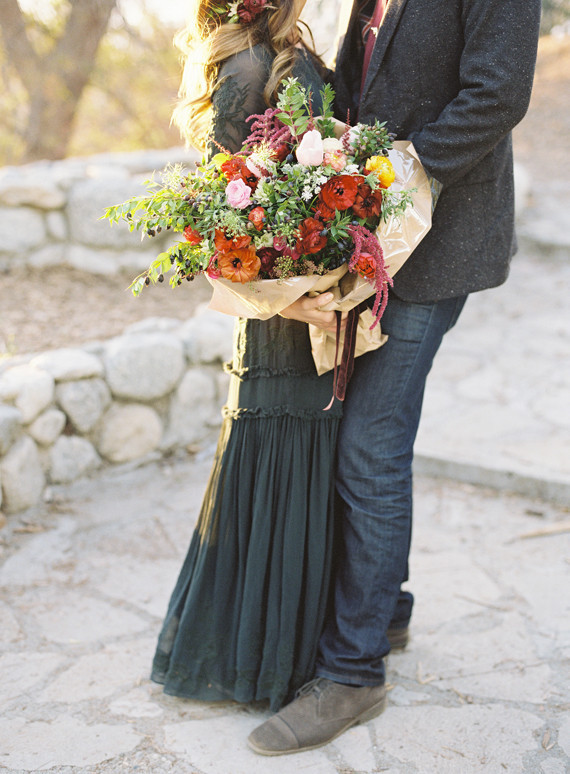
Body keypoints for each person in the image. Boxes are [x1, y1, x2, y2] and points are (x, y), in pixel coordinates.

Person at [248, 0, 542, 754]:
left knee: (370, 447)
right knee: (367, 437)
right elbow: (364, 75)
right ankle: (388, 608)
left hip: (440, 241)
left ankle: (354, 673)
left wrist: (400, 171)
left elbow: (499, 93)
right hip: (377, 237)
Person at [150, 0, 344, 713]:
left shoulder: (294, 55)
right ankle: (262, 661)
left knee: (305, 476)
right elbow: (219, 221)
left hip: (315, 302)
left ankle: (296, 642)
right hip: (278, 320)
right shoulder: (246, 68)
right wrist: (291, 301)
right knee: (278, 474)